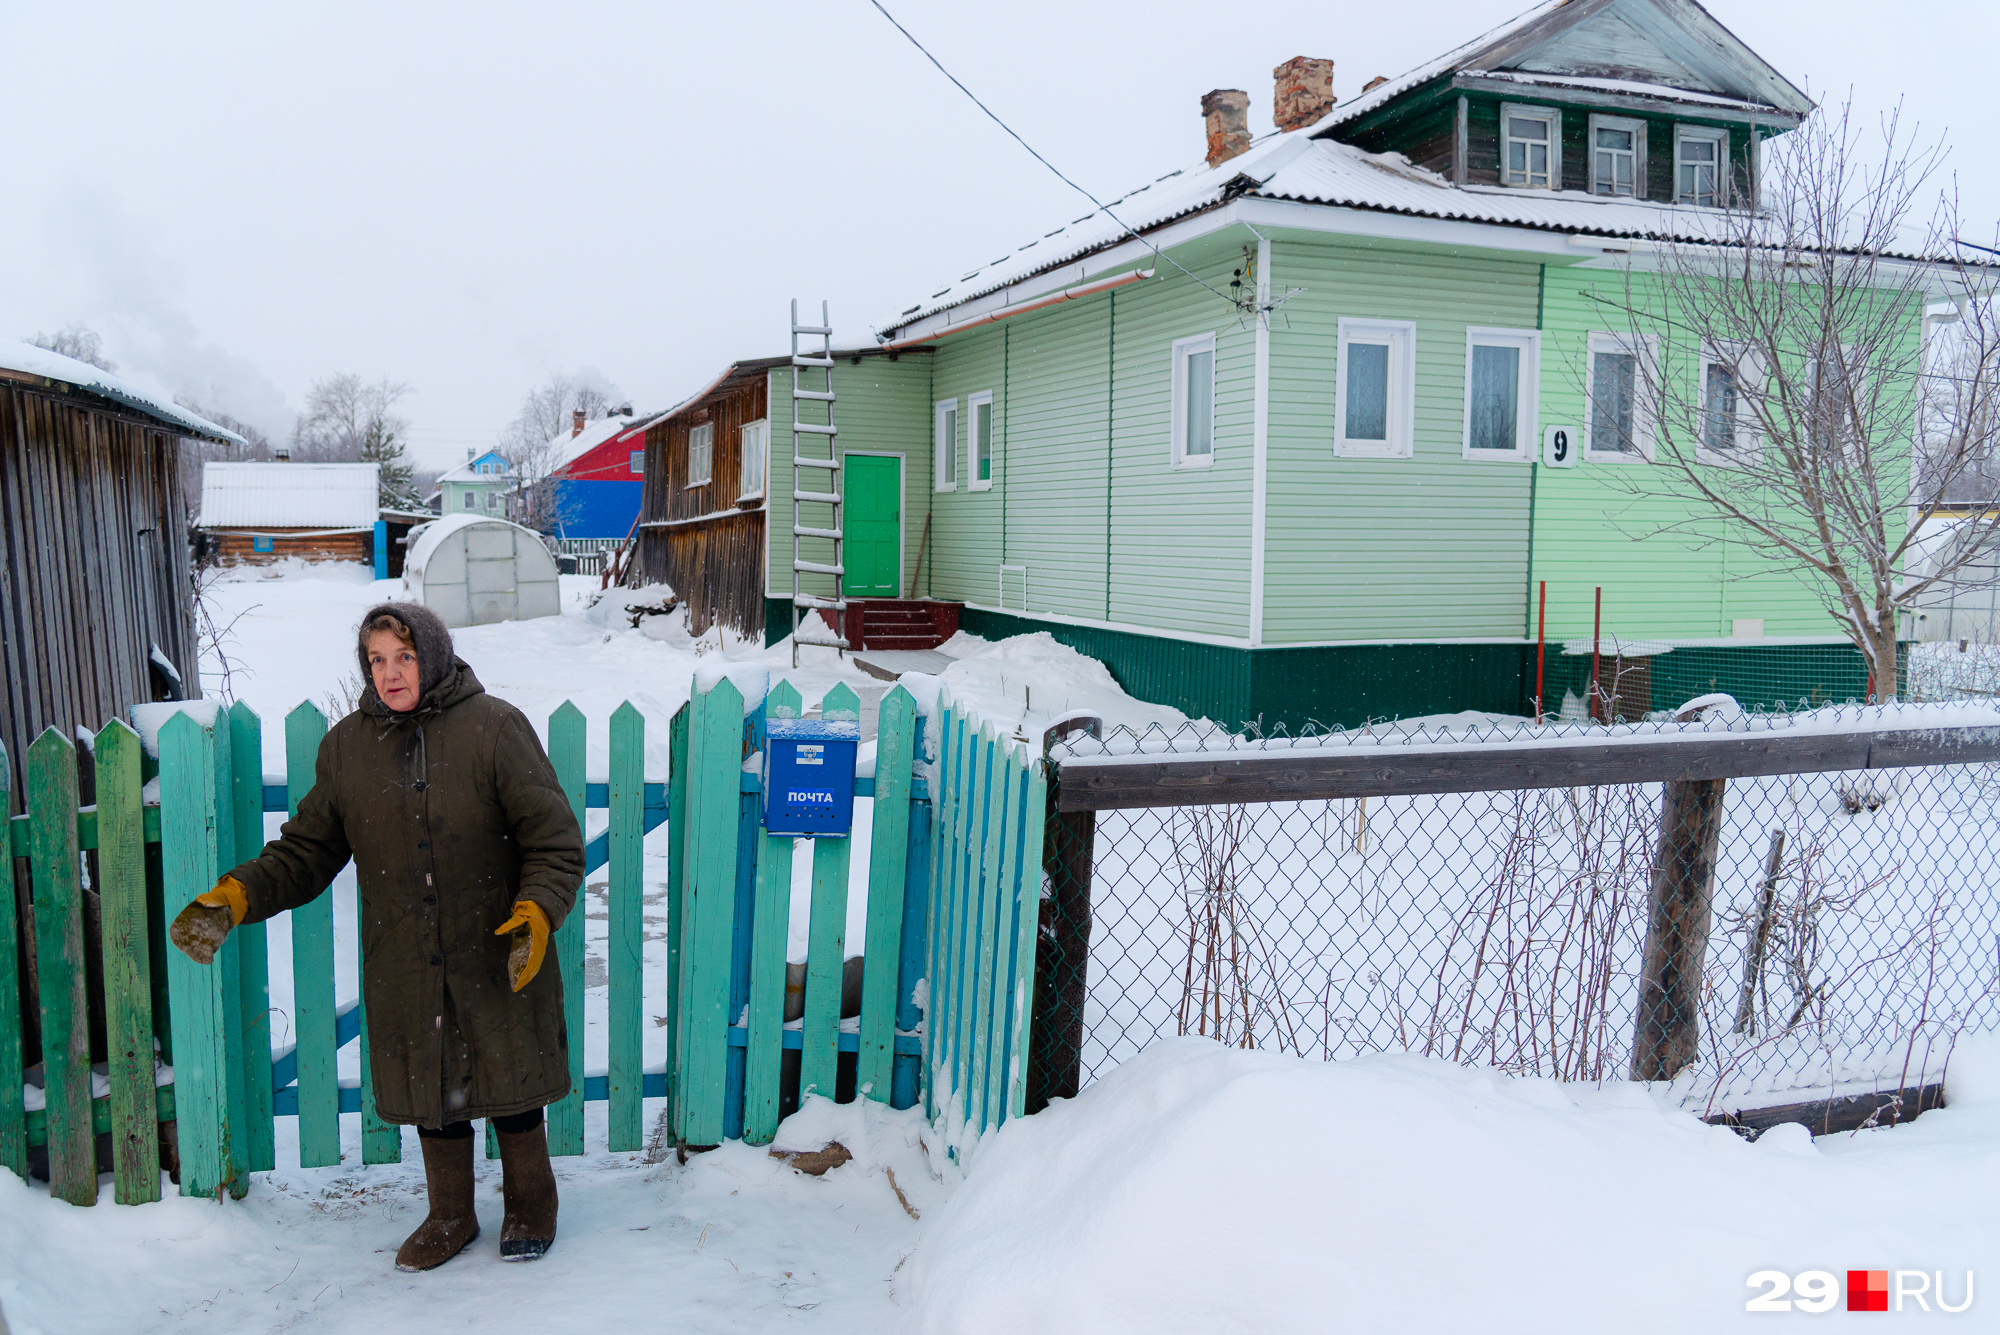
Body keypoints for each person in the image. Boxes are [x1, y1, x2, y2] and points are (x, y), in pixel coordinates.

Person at [169, 602, 583, 1272]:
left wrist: (535, 912)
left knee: (511, 1079)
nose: (389, 673)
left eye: (404, 656)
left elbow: (554, 842)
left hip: (496, 941)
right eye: (376, 660)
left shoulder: (495, 728)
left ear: (434, 654)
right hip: (405, 956)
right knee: (433, 1086)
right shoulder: (348, 748)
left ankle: (532, 1201)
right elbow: (306, 851)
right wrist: (239, 894)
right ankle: (450, 1213)